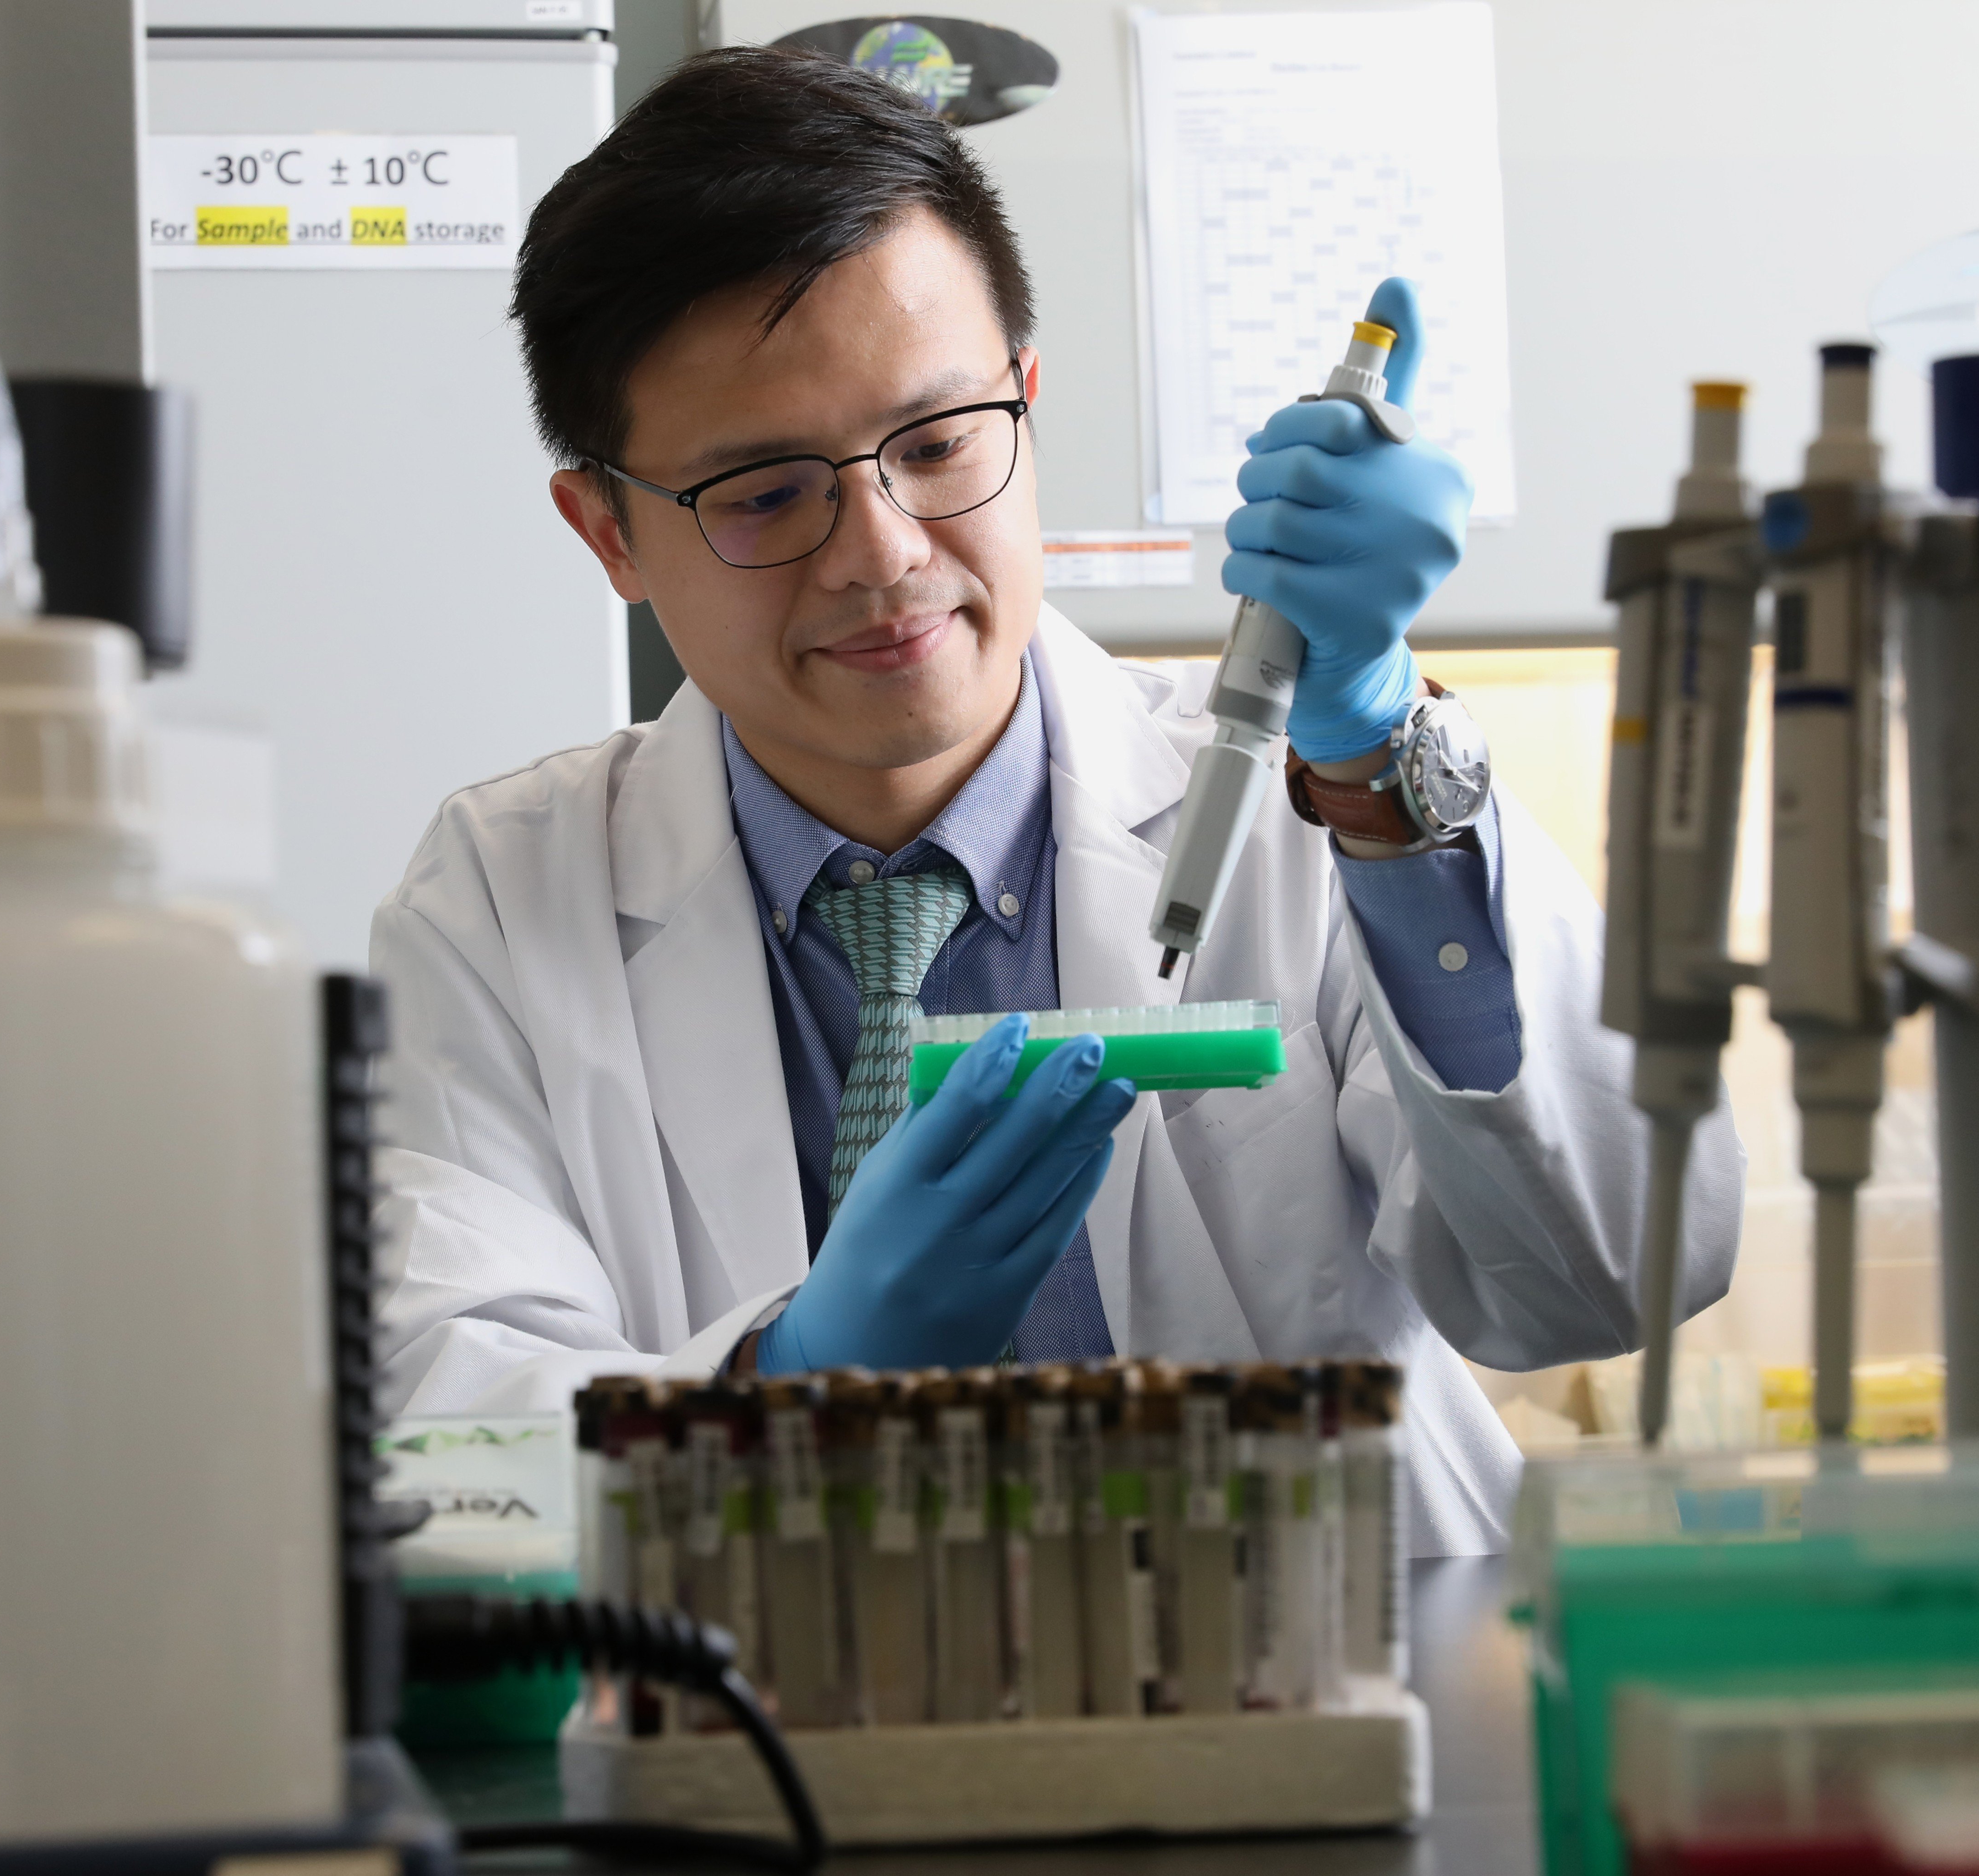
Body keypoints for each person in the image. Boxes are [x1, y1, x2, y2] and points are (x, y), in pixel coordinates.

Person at [371, 47, 1740, 1553]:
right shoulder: (502, 896)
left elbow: (1615, 1266)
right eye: (765, 493)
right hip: (794, 1736)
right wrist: (791, 1383)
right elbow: (454, 1453)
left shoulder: (1302, 807)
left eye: (940, 443)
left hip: (1331, 1698)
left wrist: (1383, 757)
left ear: (1025, 403)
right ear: (608, 532)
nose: (882, 551)